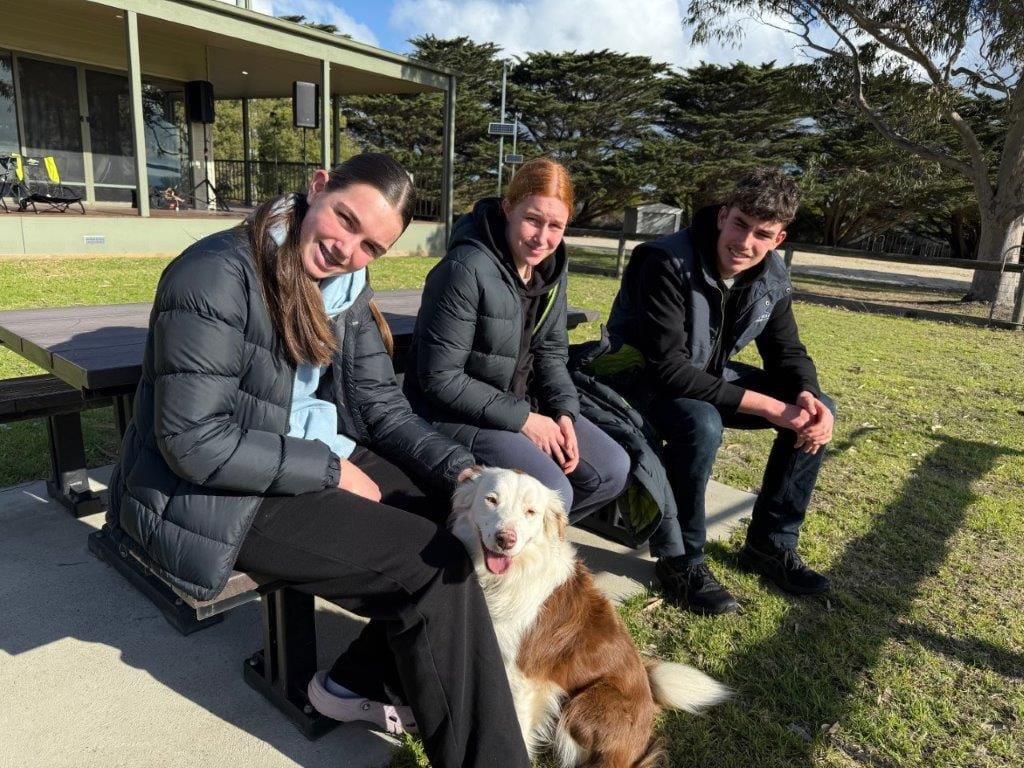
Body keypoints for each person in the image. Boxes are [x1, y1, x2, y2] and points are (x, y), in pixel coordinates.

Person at [107, 153, 531, 768]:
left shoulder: (345, 289)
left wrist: (458, 472)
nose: (346, 248)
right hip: (218, 493)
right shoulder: (215, 276)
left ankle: (362, 681)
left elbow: (381, 404)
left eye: (370, 247)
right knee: (433, 569)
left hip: (302, 451)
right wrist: (330, 471)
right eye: (344, 219)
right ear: (317, 188)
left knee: (458, 518)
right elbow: (193, 441)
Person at [604, 167, 835, 615]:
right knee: (701, 423)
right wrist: (769, 407)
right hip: (635, 378)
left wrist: (805, 394)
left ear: (778, 240)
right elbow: (667, 367)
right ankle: (680, 559)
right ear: (723, 216)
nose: (745, 243)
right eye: (739, 225)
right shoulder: (664, 260)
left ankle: (770, 544)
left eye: (761, 234)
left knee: (818, 408)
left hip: (704, 375)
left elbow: (787, 351)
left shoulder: (771, 278)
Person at [404, 157, 629, 524]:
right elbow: (439, 378)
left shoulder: (551, 270)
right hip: (454, 414)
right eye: (532, 219)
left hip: (521, 404)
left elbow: (551, 353)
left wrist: (563, 413)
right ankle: (488, 550)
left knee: (612, 471)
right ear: (508, 208)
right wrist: (525, 420)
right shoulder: (464, 268)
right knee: (555, 490)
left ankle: (523, 547)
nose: (543, 238)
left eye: (556, 226)